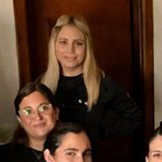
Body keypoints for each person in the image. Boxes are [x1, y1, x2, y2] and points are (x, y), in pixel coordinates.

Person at [40, 14, 142, 144]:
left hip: (90, 161)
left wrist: (99, 131)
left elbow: (136, 118)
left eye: (78, 43)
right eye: (63, 42)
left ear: (87, 47)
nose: (70, 50)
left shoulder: (103, 83)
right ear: (54, 45)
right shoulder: (42, 84)